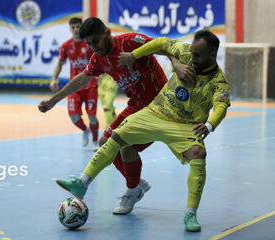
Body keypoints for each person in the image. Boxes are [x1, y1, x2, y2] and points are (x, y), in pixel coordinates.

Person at [54, 30, 231, 232]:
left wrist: (209, 125)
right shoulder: (184, 54)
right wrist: (134, 55)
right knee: (117, 135)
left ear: (213, 54)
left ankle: (190, 213)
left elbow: (221, 107)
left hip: (185, 126)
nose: (192, 58)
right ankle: (82, 182)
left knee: (198, 154)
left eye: (197, 55)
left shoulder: (218, 81)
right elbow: (162, 42)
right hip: (155, 112)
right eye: (191, 52)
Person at [39, 17, 174, 215]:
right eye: (89, 44)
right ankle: (135, 184)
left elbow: (166, 47)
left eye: (96, 41)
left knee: (125, 146)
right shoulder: (98, 58)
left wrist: (177, 66)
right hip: (136, 106)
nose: (93, 47)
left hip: (159, 107)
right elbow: (82, 79)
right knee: (105, 142)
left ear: (108, 33)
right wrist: (53, 100)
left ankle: (130, 191)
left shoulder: (130, 41)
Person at [50, 17, 100, 151]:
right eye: (73, 27)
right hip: (74, 87)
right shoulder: (66, 46)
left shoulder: (89, 44)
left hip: (90, 85)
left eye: (79, 26)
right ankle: (85, 130)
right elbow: (59, 64)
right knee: (73, 117)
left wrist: (100, 74)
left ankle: (96, 141)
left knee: (92, 116)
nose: (76, 29)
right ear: (70, 29)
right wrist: (54, 78)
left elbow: (99, 59)